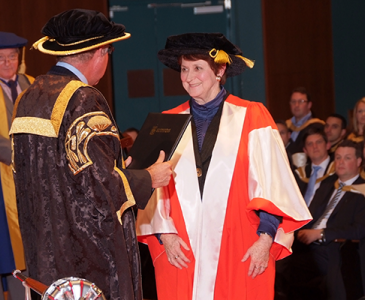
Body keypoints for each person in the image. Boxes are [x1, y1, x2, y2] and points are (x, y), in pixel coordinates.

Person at [9, 9, 172, 300]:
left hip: (44, 250)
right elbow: (97, 186)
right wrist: (148, 178)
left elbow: (59, 171)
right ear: (99, 52)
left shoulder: (29, 95)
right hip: (86, 257)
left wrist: (118, 165)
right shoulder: (82, 97)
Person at [136, 32, 311, 300]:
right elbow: (149, 188)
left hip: (240, 244)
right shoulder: (165, 122)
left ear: (220, 70)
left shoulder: (253, 116)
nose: (188, 77)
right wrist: (165, 236)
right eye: (184, 69)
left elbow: (275, 186)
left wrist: (265, 241)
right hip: (182, 247)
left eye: (197, 68)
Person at [286, 140, 365, 300]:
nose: (341, 162)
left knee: (288, 266)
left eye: (347, 158)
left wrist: (321, 234)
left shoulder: (362, 192)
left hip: (336, 248)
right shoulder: (327, 185)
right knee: (279, 256)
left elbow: (359, 229)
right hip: (309, 244)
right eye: (338, 157)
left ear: (358, 162)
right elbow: (311, 216)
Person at [0, 31, 34, 300]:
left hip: (35, 180)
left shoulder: (34, 85)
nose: (7, 63)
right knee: (6, 249)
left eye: (12, 57)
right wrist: (20, 155)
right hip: (2, 181)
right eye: (0, 58)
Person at [286, 87, 325, 167]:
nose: (296, 105)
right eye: (293, 102)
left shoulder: (317, 127)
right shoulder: (285, 127)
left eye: (301, 101)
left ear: (309, 105)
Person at [294, 128, 334, 204]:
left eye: (318, 142)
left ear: (328, 145)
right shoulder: (299, 174)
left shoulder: (337, 171)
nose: (314, 146)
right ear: (305, 150)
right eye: (310, 144)